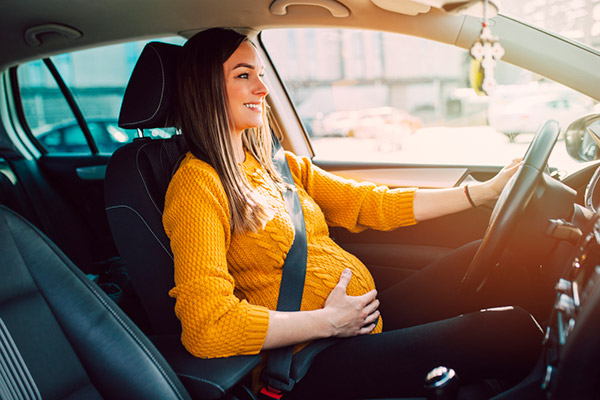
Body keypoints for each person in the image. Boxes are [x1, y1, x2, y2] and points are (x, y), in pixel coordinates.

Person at [163, 28, 542, 399]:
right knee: (509, 331)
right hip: (310, 360)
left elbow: (370, 204)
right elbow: (207, 327)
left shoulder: (275, 165)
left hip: (356, 322)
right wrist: (327, 322)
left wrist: (482, 193)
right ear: (205, 88)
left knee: (497, 258)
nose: (262, 89)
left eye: (261, 74)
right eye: (244, 76)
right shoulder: (197, 185)